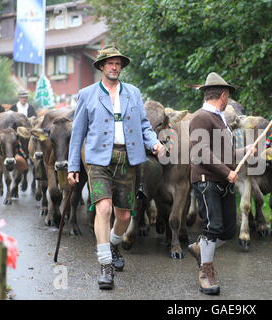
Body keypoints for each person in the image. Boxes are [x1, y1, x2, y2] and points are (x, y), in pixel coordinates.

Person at [67, 45, 164, 290]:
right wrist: (72, 166)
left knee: (123, 215)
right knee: (104, 208)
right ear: (101, 66)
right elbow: (77, 133)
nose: (114, 67)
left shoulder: (132, 92)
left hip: (128, 157)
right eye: (110, 63)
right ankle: (105, 265)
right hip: (98, 159)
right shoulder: (87, 94)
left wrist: (154, 143)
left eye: (118, 63)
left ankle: (112, 243)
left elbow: (143, 125)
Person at [188, 72, 254, 295]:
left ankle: (200, 247)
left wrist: (245, 151)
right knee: (213, 227)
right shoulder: (201, 117)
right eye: (229, 96)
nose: (229, 100)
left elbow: (223, 152)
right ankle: (205, 273)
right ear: (223, 95)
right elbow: (201, 152)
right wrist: (227, 173)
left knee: (227, 231)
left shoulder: (220, 119)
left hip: (222, 181)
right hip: (207, 182)